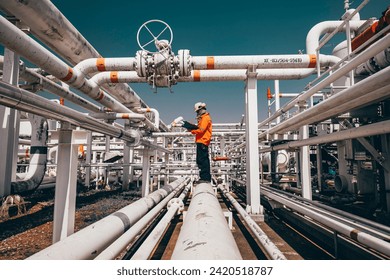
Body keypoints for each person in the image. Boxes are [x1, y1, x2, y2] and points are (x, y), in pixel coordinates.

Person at [182, 102, 212, 183]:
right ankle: (204, 177)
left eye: (197, 111)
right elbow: (200, 128)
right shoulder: (203, 118)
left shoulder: (205, 118)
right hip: (201, 141)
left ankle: (205, 178)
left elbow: (201, 130)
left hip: (203, 140)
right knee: (200, 160)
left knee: (203, 160)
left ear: (201, 109)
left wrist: (192, 131)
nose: (197, 113)